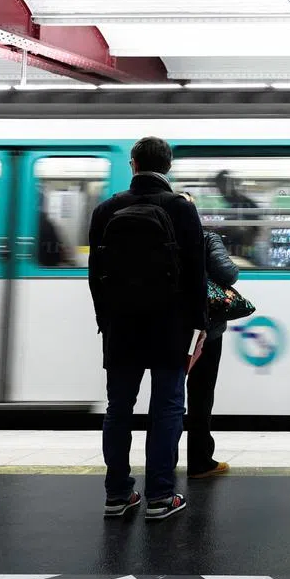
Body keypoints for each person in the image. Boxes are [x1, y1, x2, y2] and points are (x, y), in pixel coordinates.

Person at [88, 137, 207, 522]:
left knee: (119, 408)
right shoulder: (180, 208)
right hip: (170, 325)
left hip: (120, 324)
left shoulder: (107, 209)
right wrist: (200, 327)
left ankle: (117, 493)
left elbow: (95, 276)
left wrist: (105, 321)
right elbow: (196, 273)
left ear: (133, 164)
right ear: (168, 167)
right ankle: (160, 496)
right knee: (168, 406)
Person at [180, 191, 238, 479]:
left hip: (168, 327)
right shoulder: (206, 238)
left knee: (168, 393)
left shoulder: (160, 239)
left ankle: (161, 463)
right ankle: (200, 460)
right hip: (204, 330)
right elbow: (227, 273)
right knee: (201, 394)